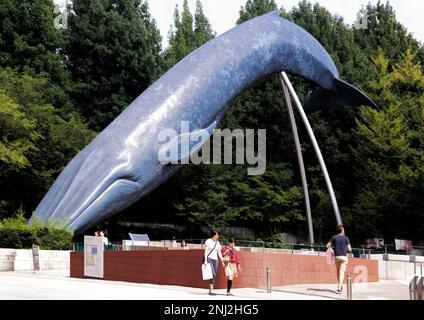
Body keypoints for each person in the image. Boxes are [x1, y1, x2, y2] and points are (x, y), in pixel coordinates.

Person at [326, 224, 352, 294]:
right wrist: (345, 247)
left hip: (337, 257)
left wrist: (333, 248)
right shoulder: (346, 238)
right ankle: (339, 287)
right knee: (342, 272)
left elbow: (327, 245)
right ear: (343, 230)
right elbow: (349, 249)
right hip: (343, 257)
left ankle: (339, 285)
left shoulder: (334, 237)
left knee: (338, 271)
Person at [203, 230, 225, 296]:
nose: (217, 236)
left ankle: (211, 290)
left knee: (214, 274)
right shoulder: (208, 241)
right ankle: (211, 289)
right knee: (212, 273)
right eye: (216, 235)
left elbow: (219, 253)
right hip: (209, 259)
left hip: (216, 259)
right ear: (213, 235)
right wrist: (206, 260)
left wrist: (222, 261)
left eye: (218, 235)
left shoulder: (218, 243)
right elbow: (206, 251)